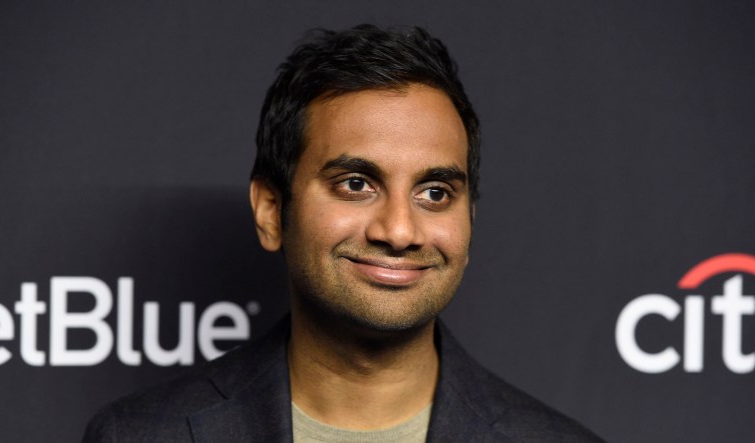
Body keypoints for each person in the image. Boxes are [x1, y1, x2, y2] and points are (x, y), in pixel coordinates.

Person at [83, 24, 603, 442]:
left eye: (436, 193)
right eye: (356, 184)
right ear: (270, 211)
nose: (400, 230)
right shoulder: (139, 435)